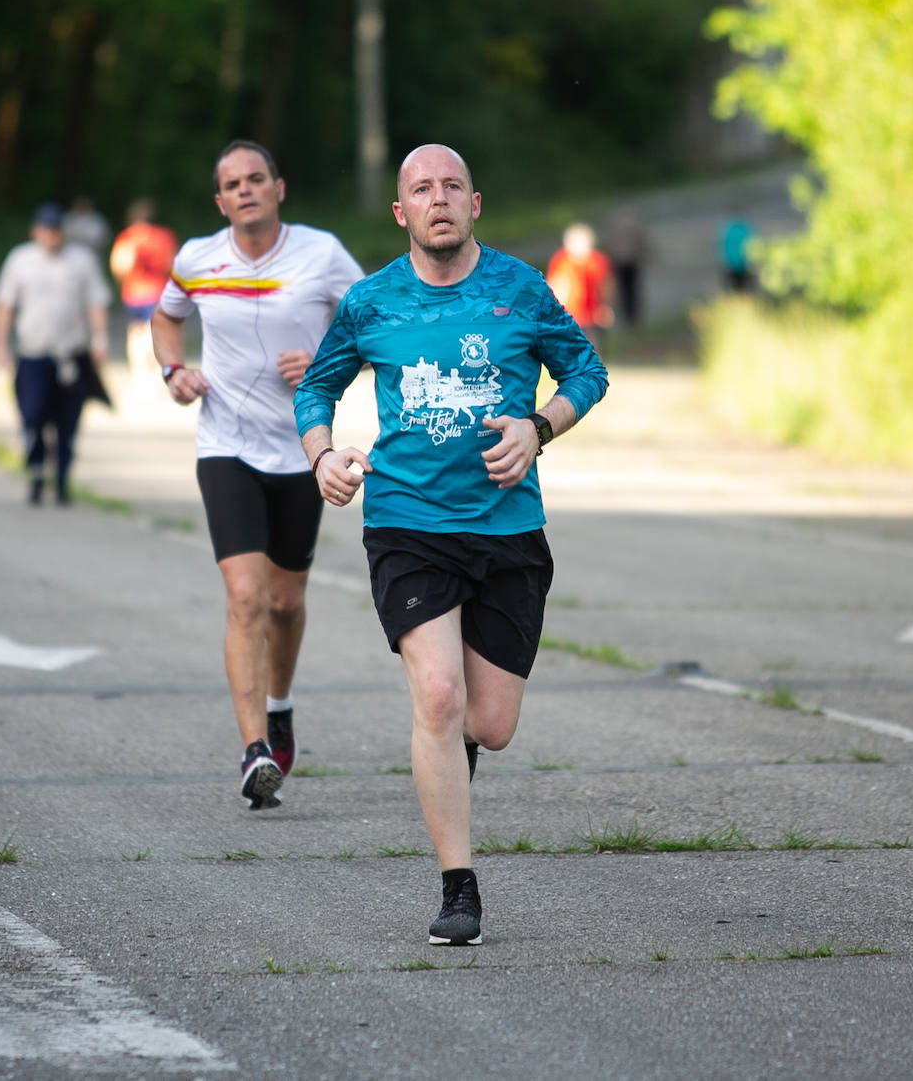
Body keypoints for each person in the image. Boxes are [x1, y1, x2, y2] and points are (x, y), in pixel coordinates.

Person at [294, 144, 608, 946]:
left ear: (475, 203)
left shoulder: (520, 290)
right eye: (421, 190)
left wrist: (538, 429)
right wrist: (324, 454)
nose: (438, 200)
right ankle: (457, 888)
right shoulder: (371, 303)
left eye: (452, 187)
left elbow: (586, 372)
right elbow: (317, 384)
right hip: (406, 524)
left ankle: (451, 774)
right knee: (438, 697)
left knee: (490, 723)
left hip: (507, 530)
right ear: (401, 213)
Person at [150, 140, 364, 810]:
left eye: (255, 179)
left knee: (284, 602)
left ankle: (279, 706)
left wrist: (329, 362)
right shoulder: (196, 258)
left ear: (279, 188)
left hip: (304, 447)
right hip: (226, 446)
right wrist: (173, 370)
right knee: (245, 596)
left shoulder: (322, 254)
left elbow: (373, 323)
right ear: (220, 201)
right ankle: (254, 753)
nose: (244, 190)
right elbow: (165, 314)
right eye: (231, 184)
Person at [0, 202, 112, 506]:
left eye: (56, 230)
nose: (51, 236)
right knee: (32, 415)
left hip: (71, 353)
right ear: (35, 231)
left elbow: (95, 302)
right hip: (33, 353)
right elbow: (5, 304)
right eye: (46, 230)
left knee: (67, 421)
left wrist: (99, 339)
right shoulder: (20, 260)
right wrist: (0, 344)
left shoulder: (81, 260)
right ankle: (35, 468)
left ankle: (61, 479)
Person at [108, 199, 179, 400]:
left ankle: (139, 374)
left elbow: (119, 266)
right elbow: (172, 264)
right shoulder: (163, 237)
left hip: (132, 293)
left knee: (135, 333)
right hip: (156, 292)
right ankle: (152, 374)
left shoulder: (127, 237)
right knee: (152, 334)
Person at [545, 222, 614, 344]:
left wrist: (605, 307)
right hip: (570, 313)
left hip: (591, 314)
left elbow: (605, 286)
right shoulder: (562, 262)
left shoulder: (597, 261)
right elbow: (558, 287)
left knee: (591, 345)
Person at [604, 204, 649, 327]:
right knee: (631, 289)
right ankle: (632, 316)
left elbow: (611, 245)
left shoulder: (615, 228)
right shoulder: (633, 227)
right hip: (631, 261)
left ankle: (628, 316)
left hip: (621, 261)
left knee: (625, 289)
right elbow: (641, 242)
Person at [719, 213, 756, 292]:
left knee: (734, 289)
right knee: (746, 289)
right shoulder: (745, 229)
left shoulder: (728, 230)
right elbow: (753, 246)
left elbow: (724, 247)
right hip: (744, 264)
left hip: (731, 265)